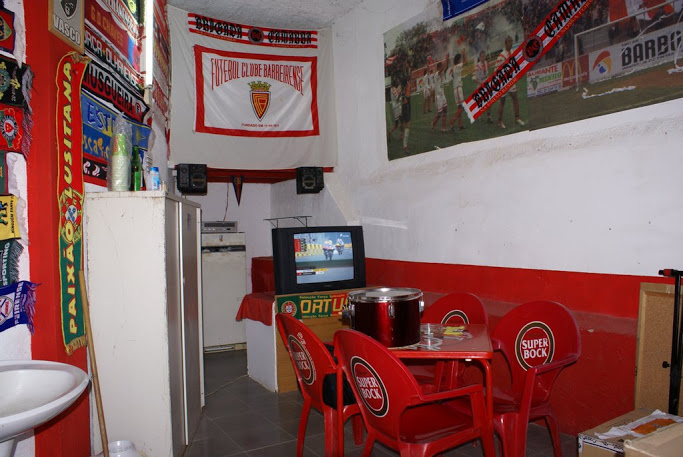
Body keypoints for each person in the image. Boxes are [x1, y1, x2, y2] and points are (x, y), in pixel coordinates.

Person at [496, 36, 525, 129]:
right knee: (502, 101)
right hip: (503, 81)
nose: (511, 44)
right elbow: (496, 70)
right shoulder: (501, 56)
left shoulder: (513, 52)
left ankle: (517, 118)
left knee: (515, 97)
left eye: (511, 42)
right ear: (505, 43)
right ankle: (499, 121)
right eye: (509, 42)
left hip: (511, 80)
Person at [448, 51, 467, 131]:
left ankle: (460, 125)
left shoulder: (454, 68)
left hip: (456, 88)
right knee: (462, 107)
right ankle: (452, 121)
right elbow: (466, 62)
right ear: (458, 60)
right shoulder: (458, 66)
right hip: (458, 88)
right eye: (460, 59)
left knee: (459, 107)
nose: (461, 60)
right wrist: (464, 53)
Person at [473, 50, 493, 123]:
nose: (483, 57)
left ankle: (488, 116)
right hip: (480, 85)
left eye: (484, 56)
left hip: (486, 84)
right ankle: (479, 115)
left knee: (489, 101)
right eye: (482, 56)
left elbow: (486, 73)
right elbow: (473, 78)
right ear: (479, 57)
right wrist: (480, 83)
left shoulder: (486, 63)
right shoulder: (477, 66)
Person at [430, 61, 448, 132]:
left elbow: (445, 68)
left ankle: (443, 127)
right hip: (438, 97)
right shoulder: (436, 74)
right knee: (439, 113)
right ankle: (433, 124)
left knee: (445, 110)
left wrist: (447, 61)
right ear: (438, 68)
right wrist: (445, 61)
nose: (442, 68)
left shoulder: (441, 74)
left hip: (442, 95)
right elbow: (442, 69)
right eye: (440, 67)